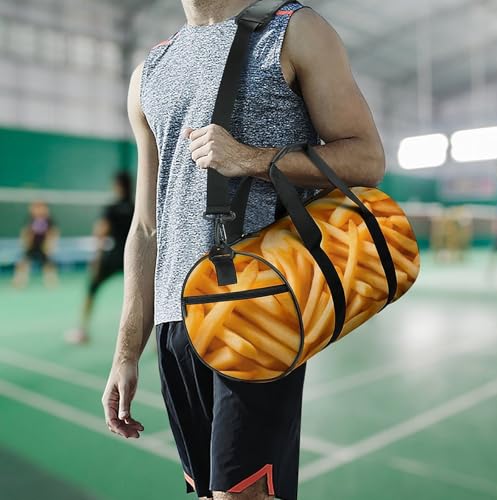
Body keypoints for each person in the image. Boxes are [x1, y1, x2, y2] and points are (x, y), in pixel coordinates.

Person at [101, 1, 385, 499]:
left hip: (258, 308)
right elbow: (146, 227)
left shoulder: (294, 31)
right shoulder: (149, 72)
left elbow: (366, 158)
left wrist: (252, 158)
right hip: (175, 323)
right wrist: (126, 352)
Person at [65, 171, 134, 344]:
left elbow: (101, 232)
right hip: (132, 256)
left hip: (113, 255)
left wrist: (96, 258)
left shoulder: (111, 209)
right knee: (143, 296)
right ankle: (155, 340)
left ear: (117, 186)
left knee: (92, 288)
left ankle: (82, 330)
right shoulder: (135, 206)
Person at [12, 200, 59, 288]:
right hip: (31, 246)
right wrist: (25, 242)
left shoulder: (49, 220)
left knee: (49, 264)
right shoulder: (30, 219)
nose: (38, 210)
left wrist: (50, 245)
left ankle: (51, 282)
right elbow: (25, 232)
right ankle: (19, 281)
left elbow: (53, 232)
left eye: (41, 207)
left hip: (44, 247)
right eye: (36, 207)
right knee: (23, 263)